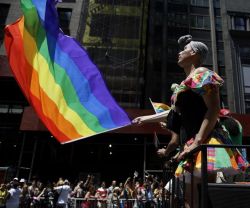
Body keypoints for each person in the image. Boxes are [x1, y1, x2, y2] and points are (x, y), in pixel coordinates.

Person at [133, 34, 248, 208]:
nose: (179, 53)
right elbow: (174, 114)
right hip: (192, 145)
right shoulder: (183, 84)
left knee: (202, 196)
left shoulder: (202, 74)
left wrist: (199, 141)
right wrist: (145, 119)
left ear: (194, 53)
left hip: (205, 141)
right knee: (190, 197)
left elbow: (214, 109)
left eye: (184, 50)